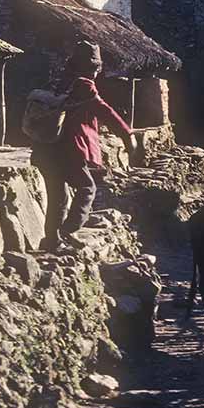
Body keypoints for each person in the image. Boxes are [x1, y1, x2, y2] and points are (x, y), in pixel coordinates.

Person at [32, 41, 137, 251]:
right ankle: (69, 229)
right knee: (87, 188)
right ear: (91, 67)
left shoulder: (57, 80)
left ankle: (52, 240)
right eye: (96, 68)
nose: (97, 73)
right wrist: (127, 134)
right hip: (68, 149)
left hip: (45, 148)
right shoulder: (83, 84)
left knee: (58, 195)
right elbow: (104, 110)